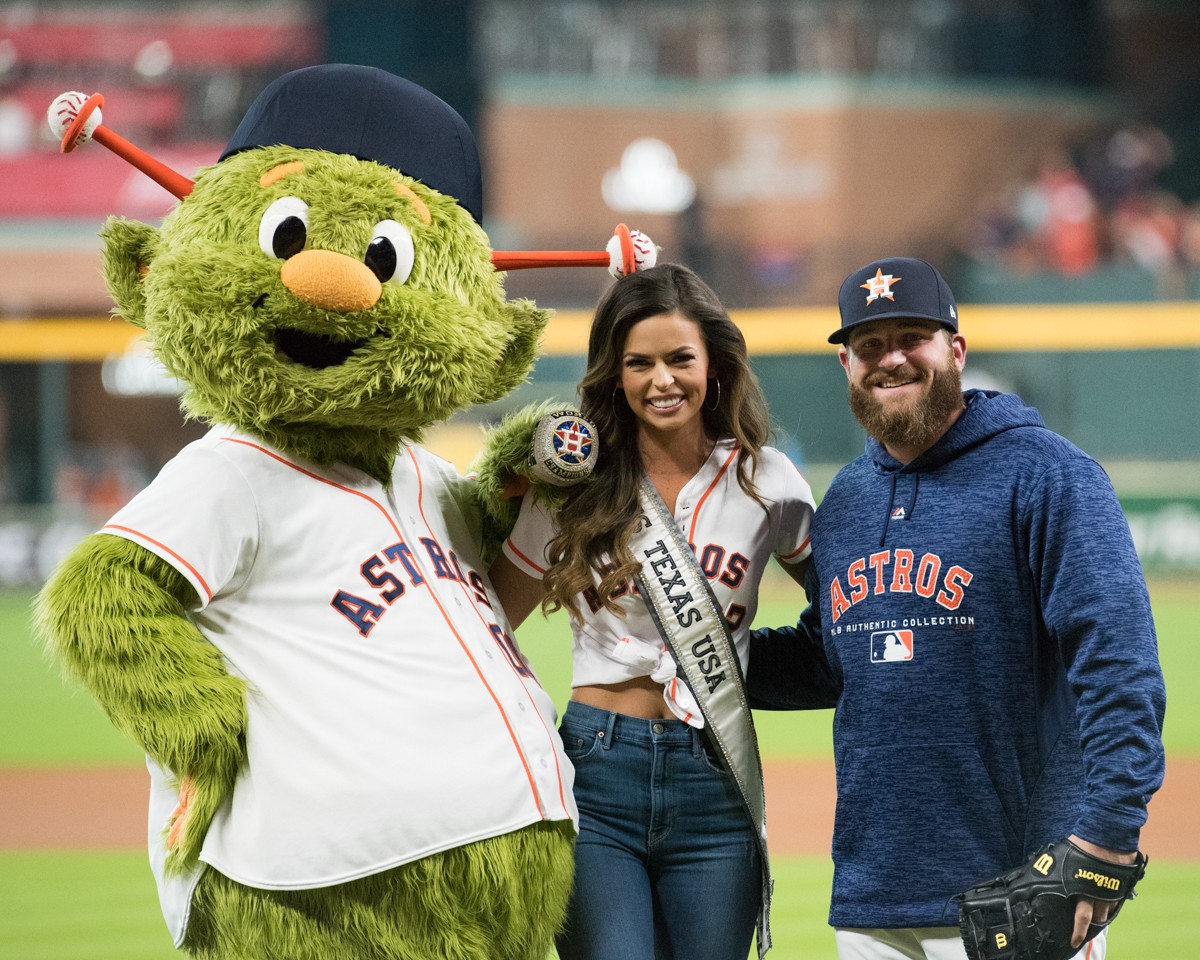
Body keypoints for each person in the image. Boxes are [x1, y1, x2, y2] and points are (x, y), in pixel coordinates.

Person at [747, 256, 1166, 960]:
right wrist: (695, 645)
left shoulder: (1048, 475)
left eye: (913, 337)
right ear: (846, 365)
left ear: (956, 350)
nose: (892, 359)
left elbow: (1121, 668)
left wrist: (1107, 838)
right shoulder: (847, 500)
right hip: (873, 897)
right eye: (870, 345)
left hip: (1022, 893)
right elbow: (833, 659)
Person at [489, 262, 817, 960]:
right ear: (614, 373)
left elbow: (850, 611)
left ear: (716, 363)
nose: (661, 380)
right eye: (638, 363)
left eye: (679, 359)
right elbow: (488, 624)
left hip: (714, 776)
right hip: (595, 769)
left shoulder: (769, 483)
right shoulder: (573, 483)